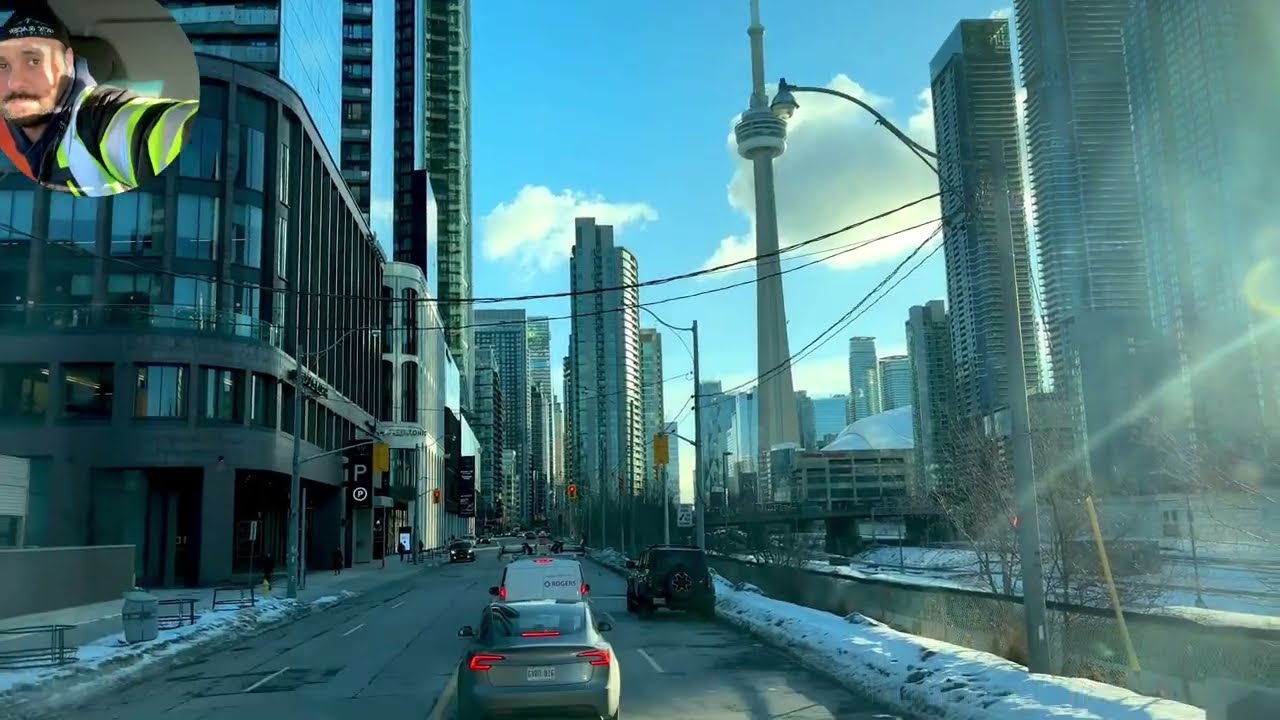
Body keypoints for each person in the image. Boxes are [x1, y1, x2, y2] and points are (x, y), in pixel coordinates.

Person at [0, 1, 199, 196]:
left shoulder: (97, 120)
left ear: (68, 61)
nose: (15, 83)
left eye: (34, 61)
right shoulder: (14, 130)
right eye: (2, 66)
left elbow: (159, 130)